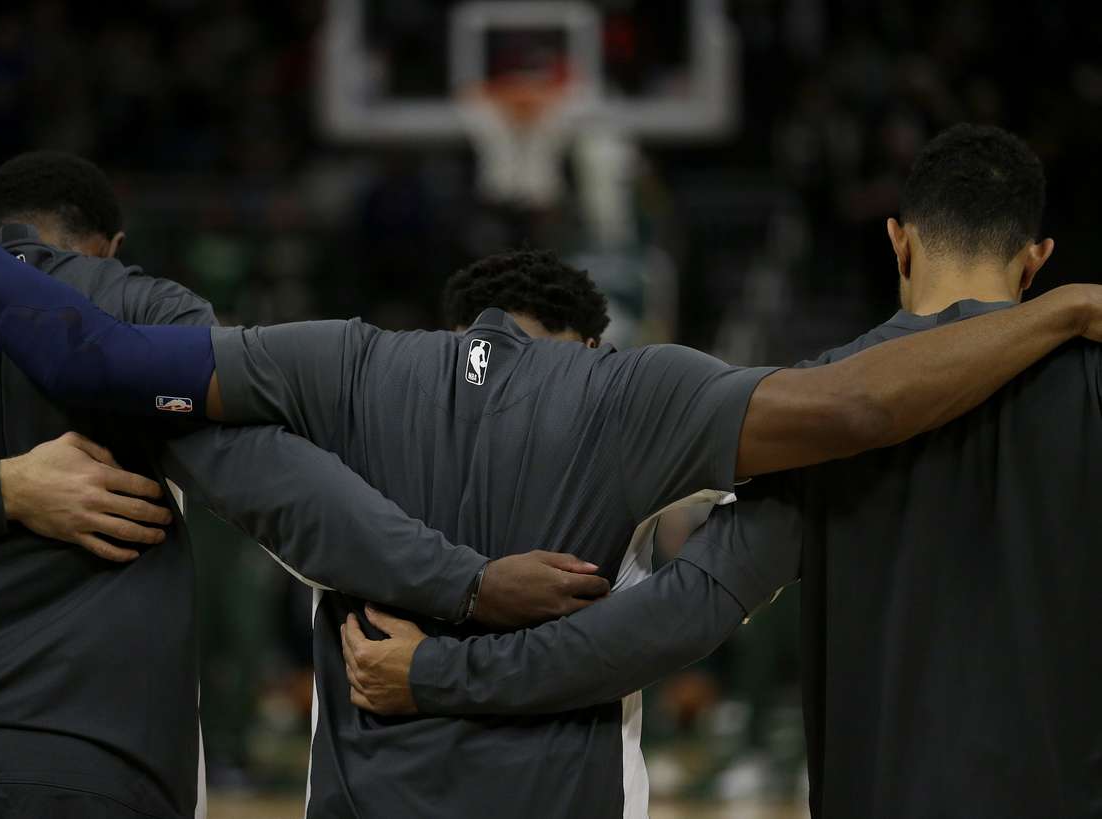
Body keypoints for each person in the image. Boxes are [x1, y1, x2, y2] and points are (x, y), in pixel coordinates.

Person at [0, 200, 1102, 819]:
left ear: (467, 317)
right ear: (580, 335)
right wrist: (1052, 316)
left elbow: (95, 363)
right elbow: (836, 431)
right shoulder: (634, 389)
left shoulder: (342, 362)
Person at [343, 124, 1102, 818]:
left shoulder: (820, 405)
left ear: (899, 244)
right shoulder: (1088, 380)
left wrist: (440, 673)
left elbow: (670, 619)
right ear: (1035, 260)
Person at [0, 153, 596, 819]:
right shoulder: (144, 305)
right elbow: (273, 484)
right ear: (110, 246)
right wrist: (466, 582)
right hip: (104, 758)